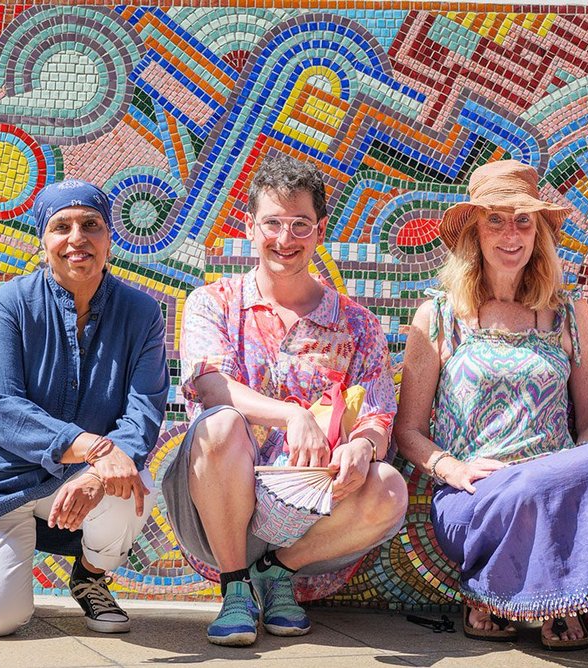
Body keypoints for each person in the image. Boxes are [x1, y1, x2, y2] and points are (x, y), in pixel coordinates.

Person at [162, 154, 408, 647]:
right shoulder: (214, 302)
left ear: (319, 231)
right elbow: (210, 386)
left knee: (390, 489)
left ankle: (275, 573)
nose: (285, 239)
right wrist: (292, 415)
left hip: (313, 512)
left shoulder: (356, 323)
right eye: (273, 223)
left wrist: (364, 445)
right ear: (250, 227)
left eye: (300, 225)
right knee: (220, 424)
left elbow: (379, 410)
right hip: (216, 505)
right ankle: (234, 587)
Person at [394, 160, 588, 650]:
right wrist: (450, 469)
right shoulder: (438, 315)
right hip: (476, 500)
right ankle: (561, 603)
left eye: (524, 220)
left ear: (539, 232)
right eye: (495, 220)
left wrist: (560, 474)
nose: (511, 234)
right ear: (473, 234)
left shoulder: (569, 311)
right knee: (522, 492)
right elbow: (408, 430)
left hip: (559, 492)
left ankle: (492, 595)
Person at [0, 180, 170, 637]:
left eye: (91, 225)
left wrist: (101, 470)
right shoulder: (12, 304)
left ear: (108, 238)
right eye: (62, 226)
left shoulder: (141, 313)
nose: (77, 238)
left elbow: (144, 412)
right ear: (44, 241)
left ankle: (91, 576)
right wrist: (94, 449)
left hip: (75, 477)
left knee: (133, 485)